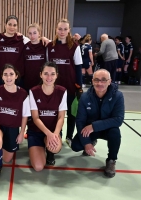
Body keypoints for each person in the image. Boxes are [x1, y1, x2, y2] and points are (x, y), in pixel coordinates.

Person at [71, 69, 124, 178]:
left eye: (104, 80)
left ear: (110, 81)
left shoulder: (118, 96)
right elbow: (80, 121)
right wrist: (86, 143)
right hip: (90, 130)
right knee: (76, 146)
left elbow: (118, 119)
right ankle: (92, 141)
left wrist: (94, 126)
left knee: (115, 133)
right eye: (97, 80)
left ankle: (111, 160)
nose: (100, 83)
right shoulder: (85, 97)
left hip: (106, 129)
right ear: (92, 81)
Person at [0, 64, 30, 181]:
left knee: (7, 159)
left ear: (16, 76)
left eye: (11, 74)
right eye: (5, 74)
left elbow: (25, 115)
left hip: (13, 128)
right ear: (2, 77)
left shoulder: (23, 94)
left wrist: (22, 133)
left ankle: (0, 148)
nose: (8, 77)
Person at [46, 18, 83, 147]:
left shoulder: (74, 47)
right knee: (57, 114)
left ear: (69, 31)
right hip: (54, 88)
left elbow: (78, 68)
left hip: (70, 87)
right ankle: (59, 134)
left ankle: (69, 136)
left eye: (65, 29)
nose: (62, 31)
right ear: (56, 30)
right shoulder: (50, 46)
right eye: (60, 29)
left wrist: (80, 87)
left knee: (71, 113)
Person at [27, 61, 67, 171]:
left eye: (52, 74)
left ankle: (50, 153)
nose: (49, 77)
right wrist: (48, 134)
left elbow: (61, 117)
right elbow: (35, 118)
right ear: (41, 74)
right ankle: (39, 147)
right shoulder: (33, 91)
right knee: (38, 167)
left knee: (55, 148)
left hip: (54, 131)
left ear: (56, 75)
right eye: (46, 73)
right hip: (36, 132)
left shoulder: (62, 91)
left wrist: (54, 134)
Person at [23, 23, 47, 91]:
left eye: (34, 33)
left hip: (42, 81)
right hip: (28, 81)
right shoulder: (25, 47)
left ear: (39, 33)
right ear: (27, 34)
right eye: (30, 33)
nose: (32, 35)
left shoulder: (45, 45)